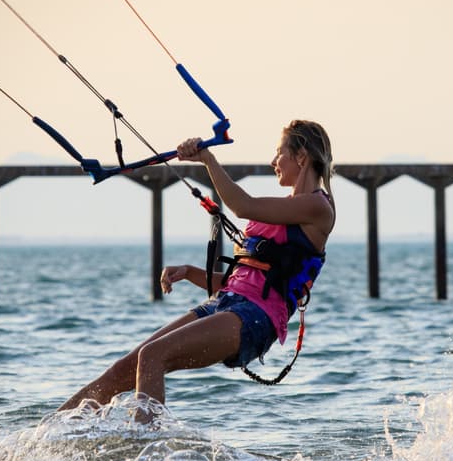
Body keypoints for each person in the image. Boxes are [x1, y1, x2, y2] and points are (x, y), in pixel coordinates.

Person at [58, 120, 335, 417]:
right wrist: (190, 273)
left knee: (153, 356)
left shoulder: (318, 208)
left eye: (279, 152)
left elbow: (242, 206)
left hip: (257, 318)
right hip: (227, 302)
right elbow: (242, 283)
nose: (273, 161)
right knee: (126, 366)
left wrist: (207, 159)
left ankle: (146, 442)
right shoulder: (286, 208)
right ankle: (49, 433)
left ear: (301, 156)